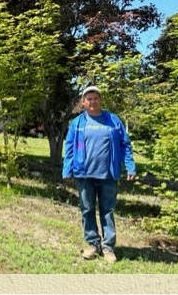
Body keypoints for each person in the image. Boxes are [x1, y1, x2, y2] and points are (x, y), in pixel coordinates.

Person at [62, 85, 136, 264]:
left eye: (96, 98)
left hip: (108, 175)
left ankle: (108, 248)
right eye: (89, 99)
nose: (93, 101)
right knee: (87, 210)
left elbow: (125, 145)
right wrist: (67, 170)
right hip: (84, 174)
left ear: (100, 100)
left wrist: (130, 166)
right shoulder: (77, 124)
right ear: (83, 102)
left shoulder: (113, 121)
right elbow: (70, 148)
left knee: (107, 212)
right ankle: (93, 244)